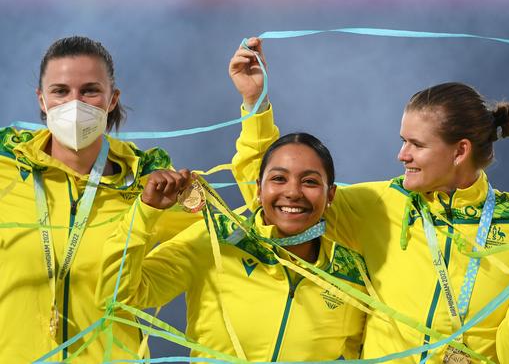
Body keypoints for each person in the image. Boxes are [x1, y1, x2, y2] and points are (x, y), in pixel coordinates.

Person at [230, 37, 509, 362]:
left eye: (417, 144)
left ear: (460, 151)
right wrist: (255, 103)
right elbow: (276, 199)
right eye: (403, 141)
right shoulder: (380, 204)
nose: (402, 155)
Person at [0, 36, 198, 362]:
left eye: (89, 90)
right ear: (41, 100)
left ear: (112, 99)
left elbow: (238, 227)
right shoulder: (7, 169)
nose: (74, 104)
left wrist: (253, 107)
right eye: (60, 91)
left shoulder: (151, 181)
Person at [95, 132, 368, 360]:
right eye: (278, 179)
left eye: (309, 181)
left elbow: (377, 351)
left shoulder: (351, 277)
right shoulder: (215, 241)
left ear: (330, 194)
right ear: (259, 189)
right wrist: (145, 213)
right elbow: (115, 296)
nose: (293, 192)